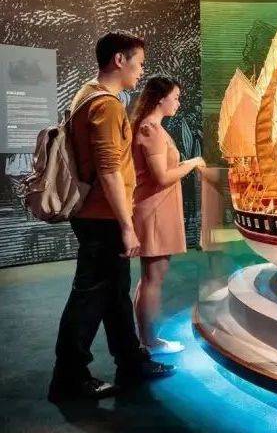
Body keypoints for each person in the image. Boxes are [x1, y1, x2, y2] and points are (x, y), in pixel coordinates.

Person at [48, 33, 175, 402]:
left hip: (97, 216)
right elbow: (109, 172)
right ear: (120, 60)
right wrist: (126, 225)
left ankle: (131, 362)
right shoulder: (107, 106)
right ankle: (69, 378)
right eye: (139, 62)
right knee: (88, 299)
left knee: (116, 294)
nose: (141, 71)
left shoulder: (86, 95)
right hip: (103, 218)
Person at [130, 76, 205, 353]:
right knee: (154, 278)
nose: (178, 102)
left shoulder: (152, 128)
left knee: (150, 277)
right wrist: (193, 163)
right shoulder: (150, 130)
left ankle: (147, 339)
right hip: (155, 210)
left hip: (157, 208)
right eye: (175, 97)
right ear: (161, 99)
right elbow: (161, 177)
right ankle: (150, 342)